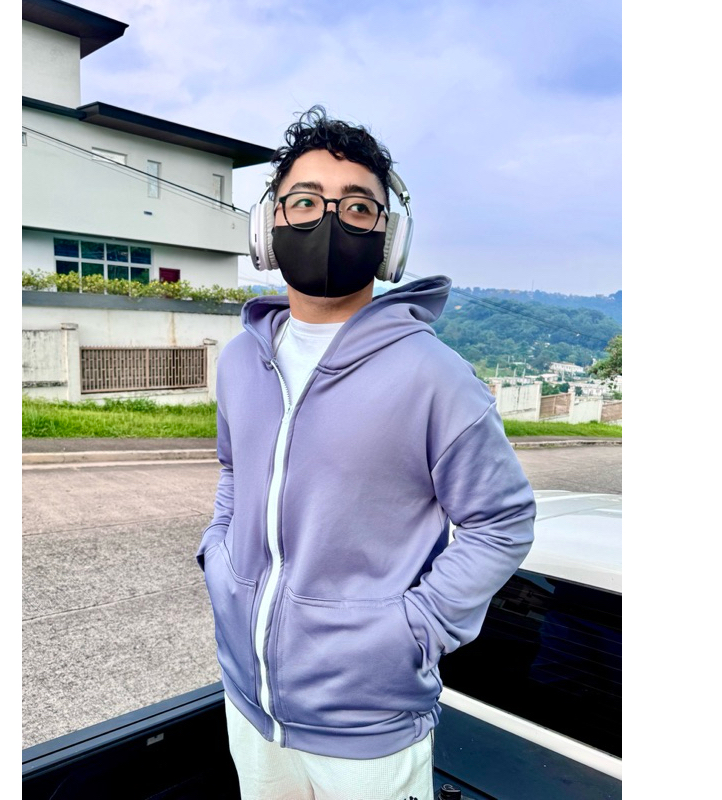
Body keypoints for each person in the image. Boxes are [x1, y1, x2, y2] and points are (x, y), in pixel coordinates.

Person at [196, 106, 536, 800]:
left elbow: (501, 522)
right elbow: (234, 470)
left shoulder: (434, 377)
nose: (329, 221)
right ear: (268, 225)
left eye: (357, 207)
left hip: (370, 733)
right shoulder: (238, 362)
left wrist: (413, 630)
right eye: (305, 201)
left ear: (388, 240)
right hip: (250, 706)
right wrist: (219, 556)